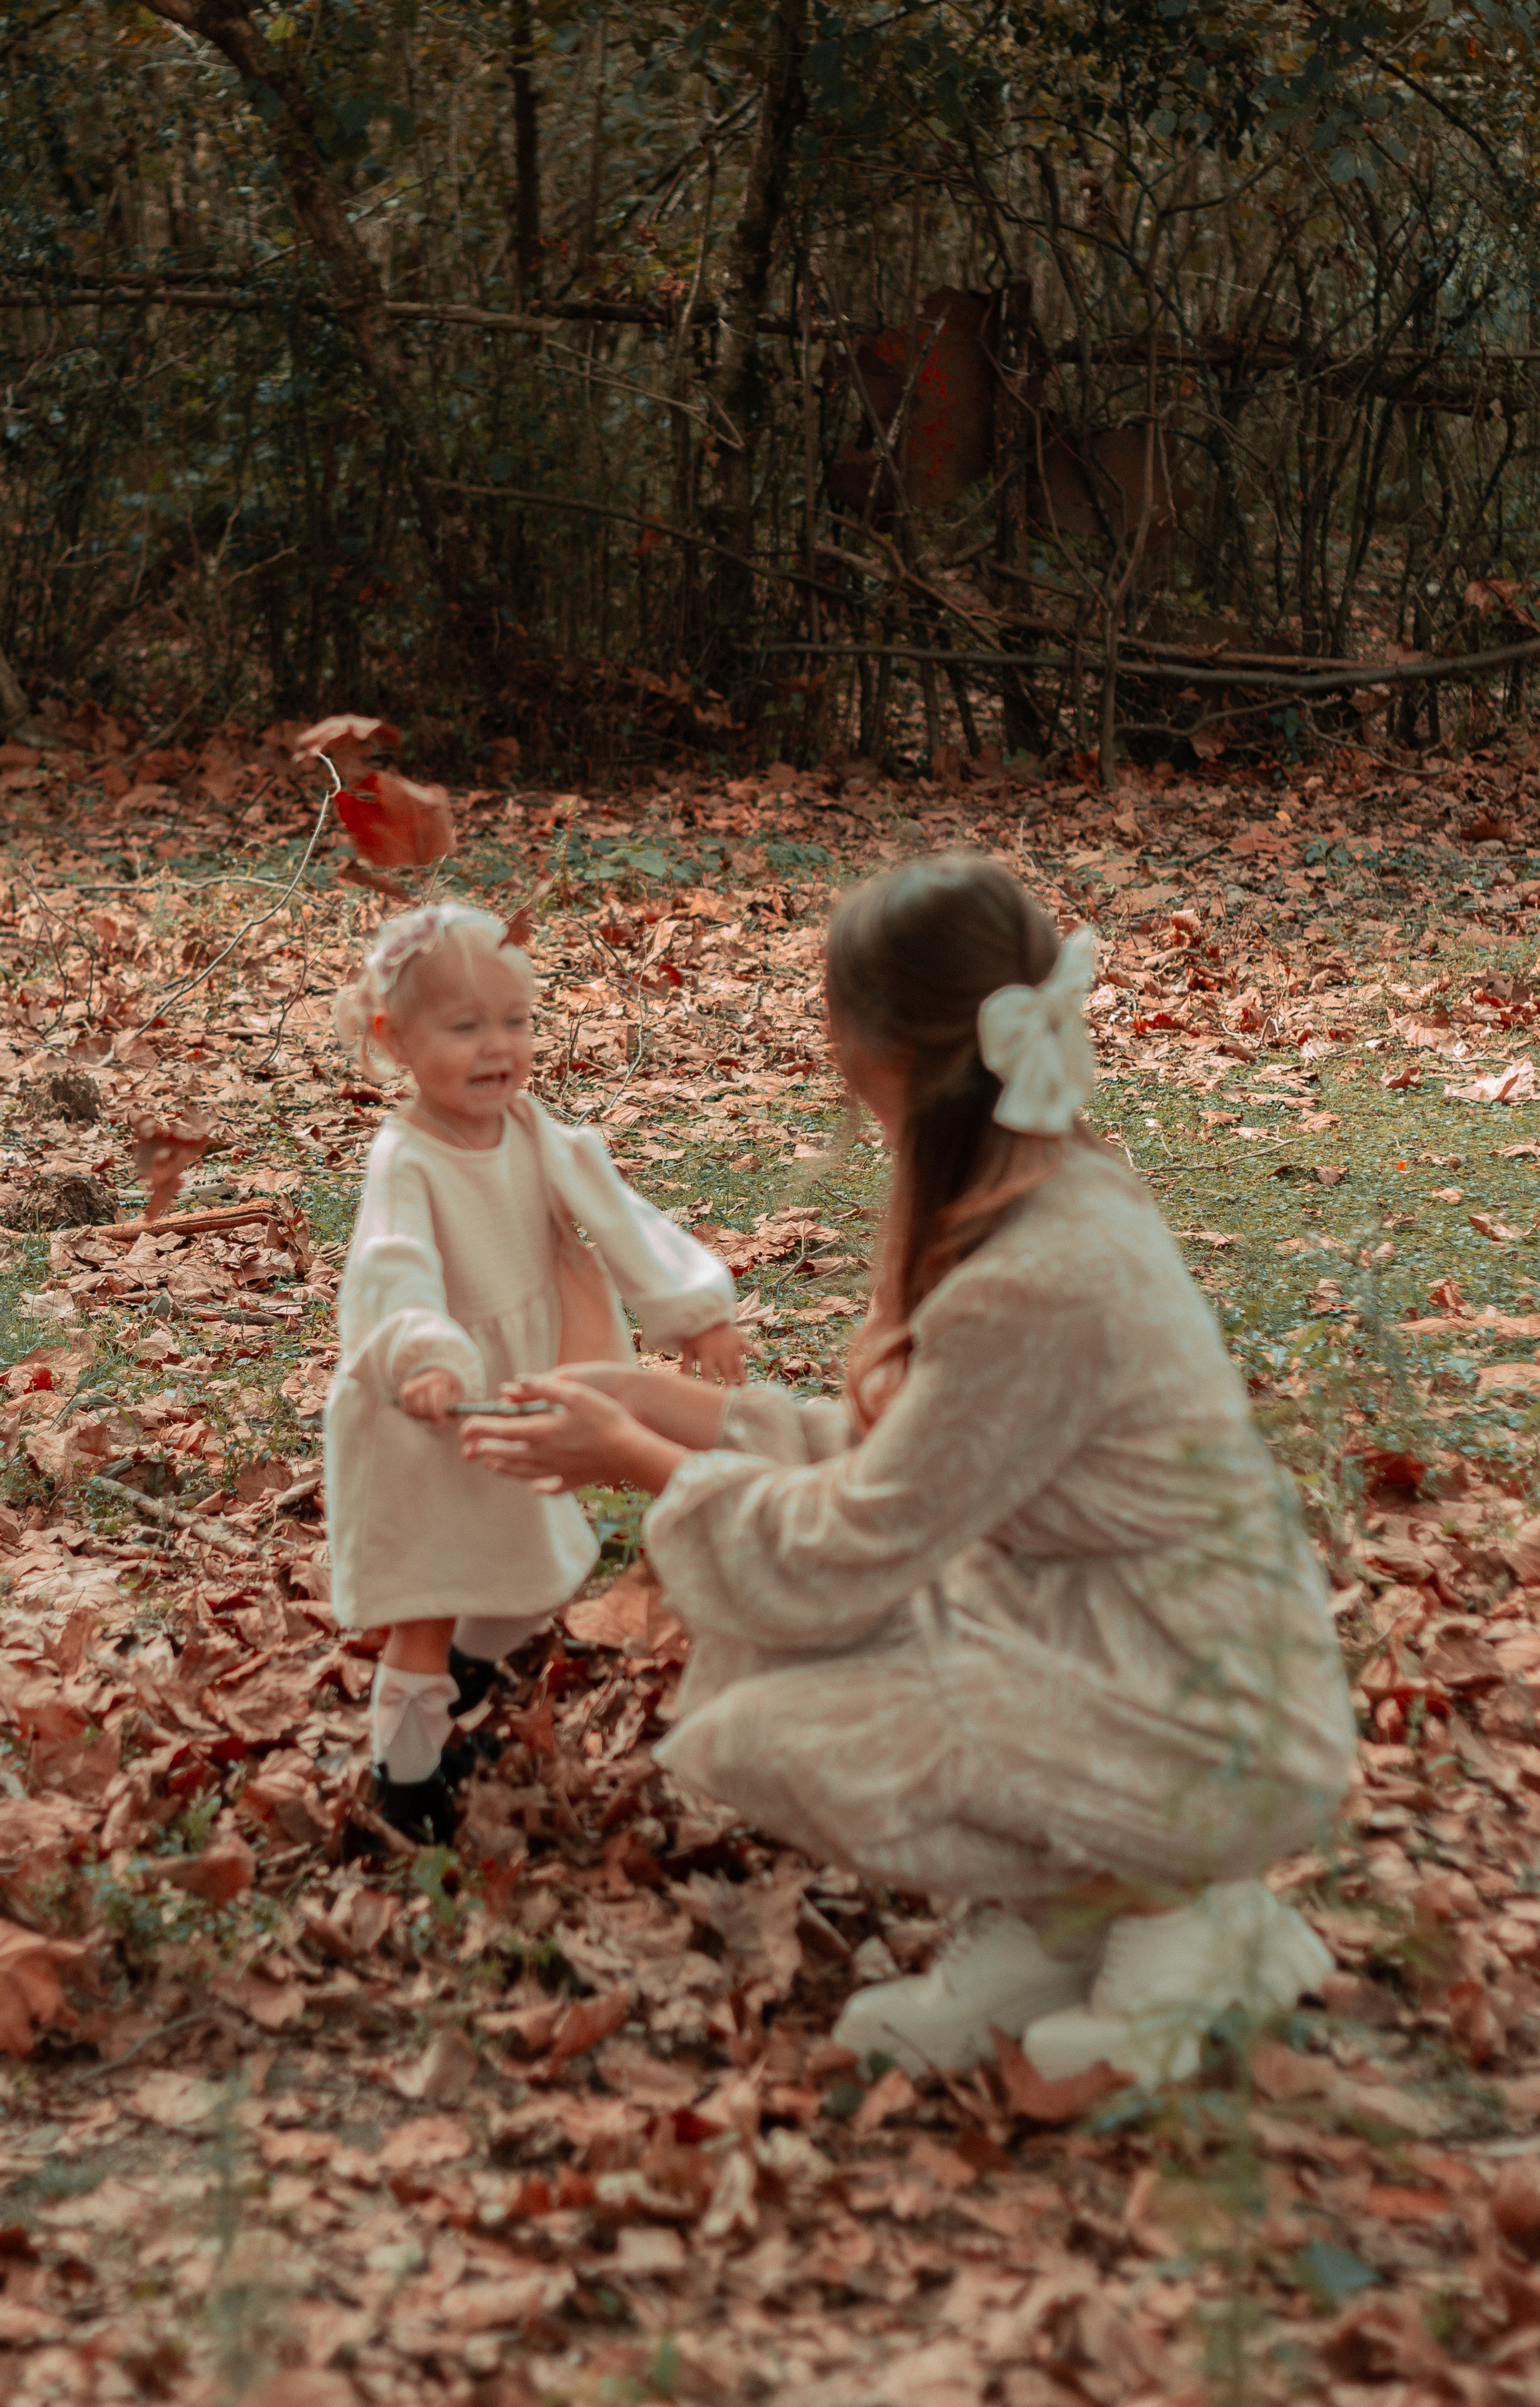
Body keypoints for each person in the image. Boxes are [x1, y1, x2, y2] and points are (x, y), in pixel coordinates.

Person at [463, 855, 1355, 2089]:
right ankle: (1062, 1925)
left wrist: (640, 1460)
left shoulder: (1038, 1269)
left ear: (869, 1045)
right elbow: (926, 1470)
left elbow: (847, 1547)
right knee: (782, 1665)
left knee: (787, 1729)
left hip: (1209, 1710)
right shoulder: (1044, 1189)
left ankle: (1180, 1918)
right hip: (1132, 1642)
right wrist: (688, 1409)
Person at [325, 901, 744, 1845]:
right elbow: (395, 1271)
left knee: (525, 1574)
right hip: (425, 1408)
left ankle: (461, 1687)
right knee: (429, 1600)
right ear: (394, 1040)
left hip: (516, 1391)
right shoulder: (407, 1159)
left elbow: (619, 1212)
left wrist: (694, 1308)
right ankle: (408, 1783)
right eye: (464, 1027)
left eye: (514, 1023)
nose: (496, 1049)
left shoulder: (531, 1128)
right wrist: (427, 1356)